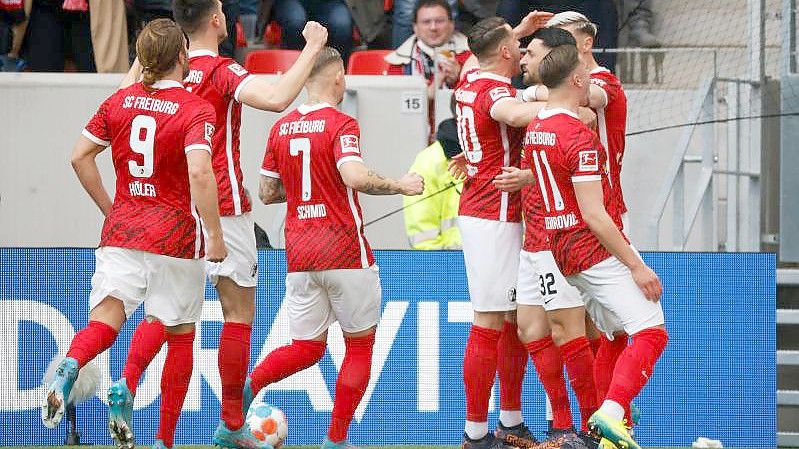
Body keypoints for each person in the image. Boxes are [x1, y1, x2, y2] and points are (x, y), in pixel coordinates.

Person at [112, 1, 328, 447]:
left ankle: (129, 383)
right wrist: (313, 47)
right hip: (224, 208)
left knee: (167, 312)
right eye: (223, 9)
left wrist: (148, 53)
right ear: (215, 20)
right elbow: (276, 98)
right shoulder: (221, 70)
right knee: (237, 314)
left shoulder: (157, 74)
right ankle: (231, 426)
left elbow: (118, 98)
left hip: (171, 210)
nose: (228, 15)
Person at [40, 19, 225, 449]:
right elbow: (199, 171)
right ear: (183, 56)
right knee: (177, 332)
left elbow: (79, 156)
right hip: (176, 234)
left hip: (123, 229)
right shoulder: (196, 109)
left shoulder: (119, 102)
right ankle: (158, 434)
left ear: (141, 57)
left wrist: (111, 208)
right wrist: (214, 234)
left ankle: (71, 363)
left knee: (106, 319)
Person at [252, 47, 424, 449]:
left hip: (299, 253)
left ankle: (246, 389)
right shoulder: (342, 123)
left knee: (306, 348)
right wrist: (400, 184)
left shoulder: (280, 129)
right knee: (360, 345)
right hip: (344, 249)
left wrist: (306, 189)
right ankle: (336, 440)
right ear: (339, 78)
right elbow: (354, 175)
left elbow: (266, 192)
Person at [527, 43, 667, 449]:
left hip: (559, 248)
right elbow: (595, 214)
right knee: (651, 333)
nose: (591, 77)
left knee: (614, 335)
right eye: (586, 72)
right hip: (590, 246)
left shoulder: (537, 128)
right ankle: (610, 412)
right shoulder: (577, 135)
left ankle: (605, 433)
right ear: (575, 79)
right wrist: (636, 265)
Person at [492, 26, 604, 449]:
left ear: (556, 61)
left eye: (532, 53)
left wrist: (532, 99)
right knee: (530, 328)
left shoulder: (579, 104)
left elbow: (590, 110)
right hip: (533, 233)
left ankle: (594, 428)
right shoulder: (543, 107)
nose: (524, 59)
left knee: (570, 332)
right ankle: (561, 425)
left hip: (563, 236)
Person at [452, 14, 556, 449]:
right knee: (490, 320)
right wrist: (562, 105)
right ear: (507, 53)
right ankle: (475, 434)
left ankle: (509, 422)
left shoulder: (470, 75)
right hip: (492, 215)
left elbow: (490, 52)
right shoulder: (493, 91)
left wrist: (518, 27)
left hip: (500, 211)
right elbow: (511, 110)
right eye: (517, 43)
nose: (521, 47)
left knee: (514, 318)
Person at [539, 12, 634, 429]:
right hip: (567, 224)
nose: (558, 44)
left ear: (586, 41)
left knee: (610, 330)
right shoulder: (559, 101)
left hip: (601, 218)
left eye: (565, 37)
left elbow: (593, 100)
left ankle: (607, 424)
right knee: (576, 329)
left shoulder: (604, 84)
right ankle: (596, 425)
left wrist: (519, 98)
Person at [385, 0, 470, 98]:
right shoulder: (399, 61)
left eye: (439, 21)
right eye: (426, 22)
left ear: (452, 24)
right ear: (415, 27)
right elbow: (393, 103)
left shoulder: (471, 57)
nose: (433, 27)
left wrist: (461, 78)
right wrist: (426, 96)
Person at [402, 114, 462, 250]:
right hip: (449, 264)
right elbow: (423, 233)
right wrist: (436, 266)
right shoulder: (429, 161)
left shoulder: (500, 153)